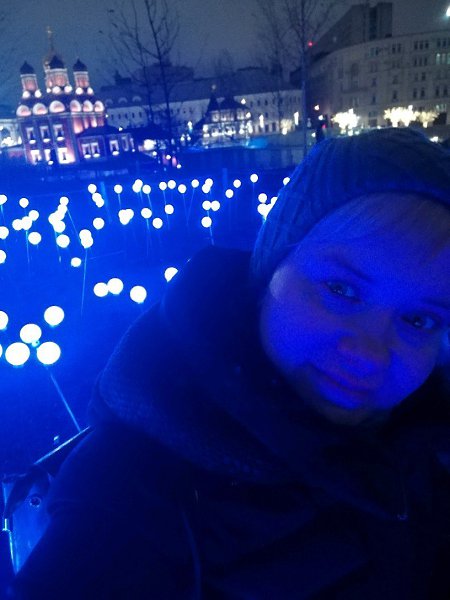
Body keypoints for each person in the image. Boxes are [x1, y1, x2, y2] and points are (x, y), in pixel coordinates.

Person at [9, 128, 450, 599]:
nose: (369, 353)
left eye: (418, 319)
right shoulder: (127, 493)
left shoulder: (428, 450)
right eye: (341, 290)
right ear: (271, 269)